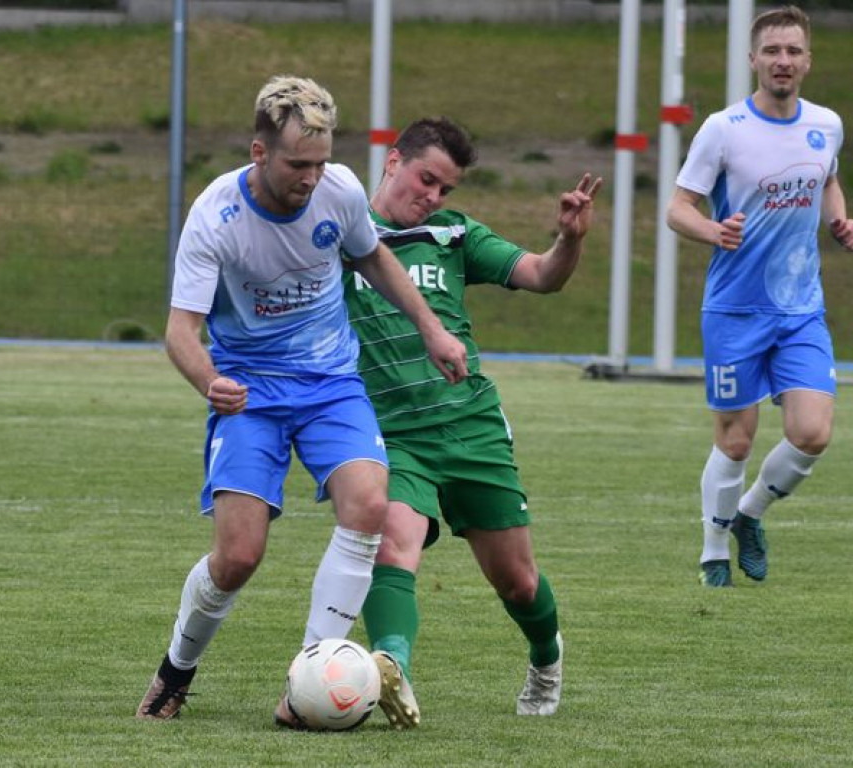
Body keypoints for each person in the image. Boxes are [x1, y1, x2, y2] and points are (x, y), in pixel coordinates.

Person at [135, 76, 468, 726]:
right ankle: (176, 669)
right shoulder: (215, 217)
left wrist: (431, 328)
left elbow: (373, 260)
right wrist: (210, 381)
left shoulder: (338, 190)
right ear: (259, 153)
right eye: (297, 164)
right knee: (237, 557)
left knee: (370, 504)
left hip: (330, 385)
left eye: (320, 163)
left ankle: (309, 681)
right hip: (249, 393)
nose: (312, 178)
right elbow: (180, 331)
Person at [342, 117, 601, 727]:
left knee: (517, 581)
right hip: (391, 431)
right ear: (392, 160)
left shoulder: (454, 235)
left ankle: (546, 655)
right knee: (392, 542)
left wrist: (570, 239)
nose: (432, 196)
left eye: (445, 189)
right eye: (426, 179)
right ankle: (391, 667)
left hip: (471, 427)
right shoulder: (341, 233)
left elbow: (542, 275)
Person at [666, 5, 853, 588]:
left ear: (807, 61)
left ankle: (749, 515)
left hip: (800, 309)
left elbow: (826, 179)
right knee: (737, 438)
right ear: (753, 60)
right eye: (772, 50)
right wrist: (713, 231)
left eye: (793, 51)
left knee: (813, 433)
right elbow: (678, 209)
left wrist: (841, 220)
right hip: (734, 310)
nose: (783, 61)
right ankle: (713, 549)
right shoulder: (724, 129)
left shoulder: (827, 123)